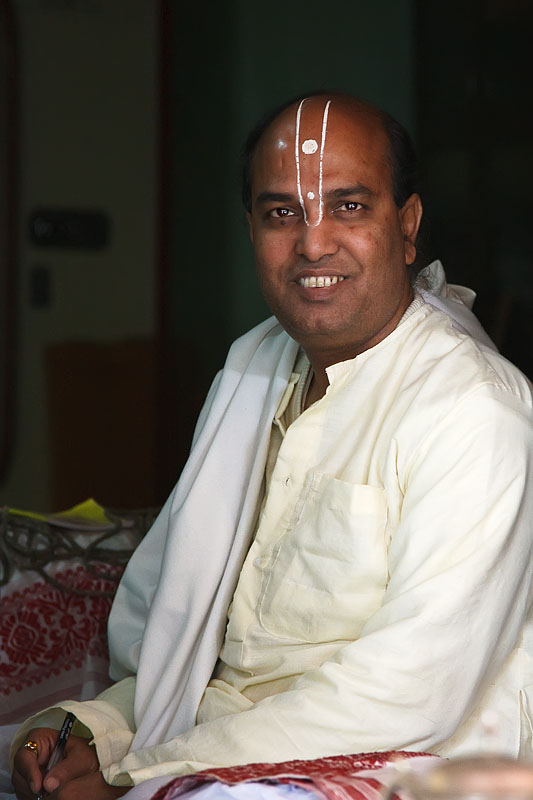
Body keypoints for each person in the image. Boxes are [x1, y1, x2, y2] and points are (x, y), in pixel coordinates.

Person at [9, 91, 533, 800]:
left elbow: (412, 691)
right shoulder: (252, 370)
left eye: (349, 207)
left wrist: (140, 773)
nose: (313, 244)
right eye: (282, 213)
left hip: (409, 761)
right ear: (251, 230)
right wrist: (89, 735)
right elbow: (182, 648)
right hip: (218, 748)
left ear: (407, 227)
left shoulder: (473, 409)